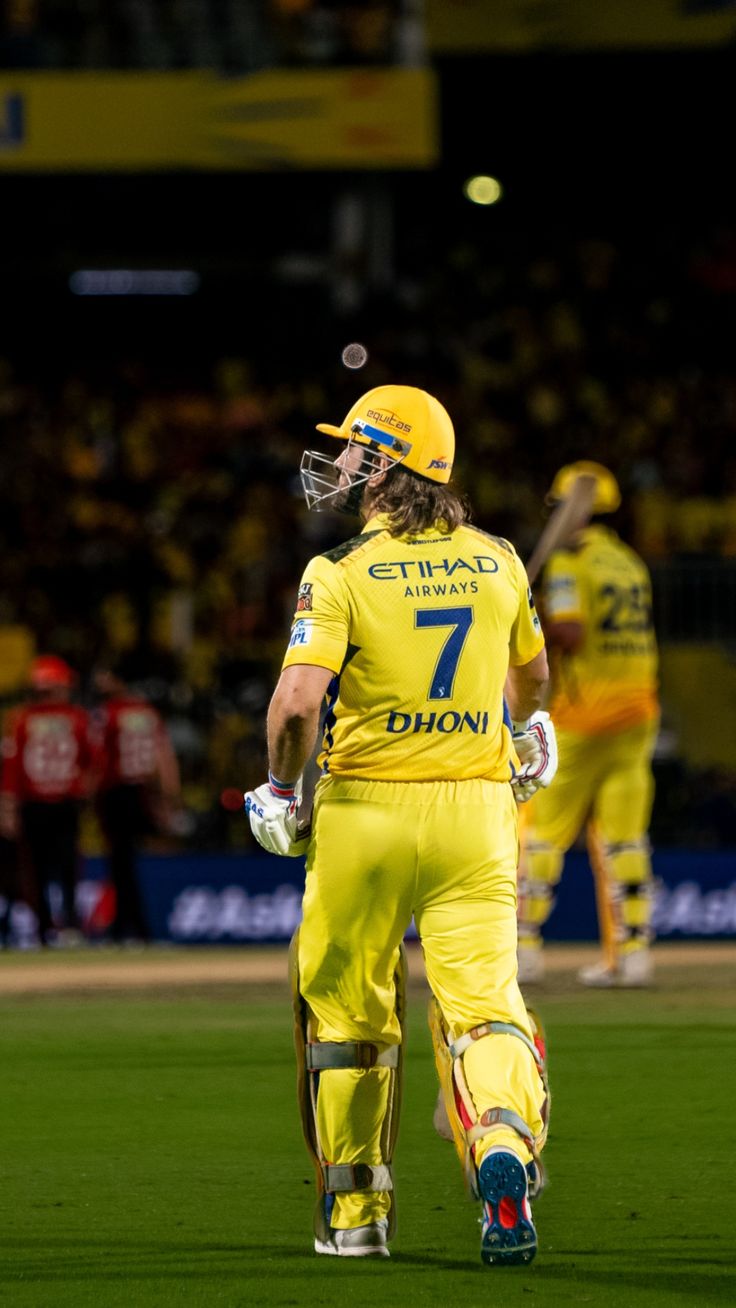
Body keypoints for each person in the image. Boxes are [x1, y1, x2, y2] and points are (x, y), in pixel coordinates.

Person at [245, 384, 557, 1266]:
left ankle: (357, 1224)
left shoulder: (338, 570)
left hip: (366, 818)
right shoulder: (500, 560)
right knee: (487, 1012)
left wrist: (278, 789)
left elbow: (297, 705)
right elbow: (531, 684)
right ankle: (501, 1144)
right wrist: (529, 730)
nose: (341, 463)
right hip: (476, 817)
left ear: (387, 464)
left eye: (353, 449)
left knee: (347, 1025)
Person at [516, 461, 660, 988]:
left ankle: (524, 950)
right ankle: (634, 954)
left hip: (583, 716)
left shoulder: (568, 563)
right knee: (624, 839)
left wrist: (527, 622)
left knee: (541, 836)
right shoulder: (630, 563)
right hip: (638, 711)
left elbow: (571, 633)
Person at [0, 654, 95, 946]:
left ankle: (44, 932)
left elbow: (11, 769)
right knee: (66, 867)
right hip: (64, 802)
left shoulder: (21, 719)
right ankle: (69, 927)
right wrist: (83, 790)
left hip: (35, 804)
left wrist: (7, 808)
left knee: (37, 871)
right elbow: (93, 761)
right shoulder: (76, 717)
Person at [91, 667, 182, 943]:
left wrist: (90, 794)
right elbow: (164, 755)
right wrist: (170, 794)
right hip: (145, 791)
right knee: (133, 861)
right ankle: (135, 926)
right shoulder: (147, 712)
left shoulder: (108, 712)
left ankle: (126, 928)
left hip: (118, 792)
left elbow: (98, 759)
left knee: (120, 863)